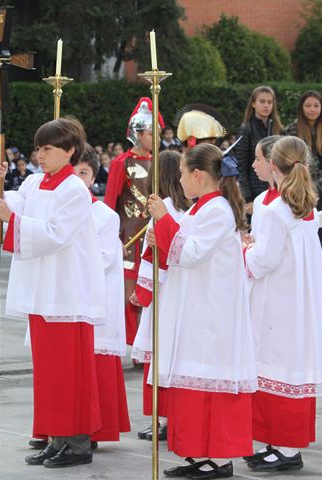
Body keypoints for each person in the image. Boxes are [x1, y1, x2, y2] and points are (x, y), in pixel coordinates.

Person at [0, 116, 106, 469]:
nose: (40, 154)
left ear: (69, 151)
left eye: (48, 148)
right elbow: (10, 206)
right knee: (50, 372)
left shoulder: (75, 189)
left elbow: (55, 234)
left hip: (67, 292)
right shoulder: (36, 182)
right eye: (38, 147)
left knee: (69, 372)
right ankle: (57, 437)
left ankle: (77, 441)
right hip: (44, 291)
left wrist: (13, 218)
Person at [146, 144, 256, 478]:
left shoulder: (217, 210)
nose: (179, 180)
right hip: (194, 305)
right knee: (195, 383)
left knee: (209, 382)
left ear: (197, 175)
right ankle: (200, 452)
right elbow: (179, 251)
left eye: (181, 174)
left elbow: (191, 253)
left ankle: (218, 456)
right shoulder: (199, 209)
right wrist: (158, 237)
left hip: (210, 312)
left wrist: (164, 221)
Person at [242, 136, 322, 472]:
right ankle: (278, 444)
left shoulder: (277, 210)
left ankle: (287, 450)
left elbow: (264, 260)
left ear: (274, 166)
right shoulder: (305, 205)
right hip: (296, 300)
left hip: (278, 301)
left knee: (278, 367)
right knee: (288, 368)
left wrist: (244, 248)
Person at [130, 150, 191, 442]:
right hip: (180, 288)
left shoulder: (162, 208)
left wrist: (141, 292)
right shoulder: (187, 207)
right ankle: (171, 417)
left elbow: (152, 255)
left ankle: (161, 418)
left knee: (159, 352)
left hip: (163, 290)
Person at [75, 145, 131, 446]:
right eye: (72, 173)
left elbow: (107, 257)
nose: (77, 179)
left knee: (95, 364)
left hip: (94, 299)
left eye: (83, 173)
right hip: (69, 296)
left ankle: (94, 427)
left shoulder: (105, 215)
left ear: (94, 177)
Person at [104, 98, 164, 346]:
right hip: (129, 236)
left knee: (150, 289)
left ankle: (146, 343)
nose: (156, 138)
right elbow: (109, 205)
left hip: (152, 234)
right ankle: (128, 341)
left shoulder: (160, 162)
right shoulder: (122, 163)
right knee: (129, 292)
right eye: (152, 133)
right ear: (137, 133)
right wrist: (112, 238)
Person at [283, 90, 322, 209]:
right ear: (301, 107)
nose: (312, 109)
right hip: (302, 186)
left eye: (316, 106)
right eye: (308, 106)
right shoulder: (292, 130)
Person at [235, 86, 284, 205]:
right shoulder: (246, 129)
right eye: (262, 101)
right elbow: (241, 166)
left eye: (270, 102)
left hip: (277, 188)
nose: (266, 105)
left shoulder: (277, 128)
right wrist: (248, 197)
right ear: (253, 103)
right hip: (255, 191)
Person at [249, 135, 282, 229]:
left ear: (271, 162)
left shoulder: (289, 201)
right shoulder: (260, 199)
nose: (253, 165)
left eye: (257, 159)